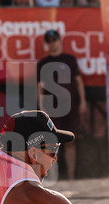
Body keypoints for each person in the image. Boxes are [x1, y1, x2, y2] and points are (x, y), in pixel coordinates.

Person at [37, 29, 88, 180]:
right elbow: (40, 86)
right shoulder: (43, 63)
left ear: (59, 41)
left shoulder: (70, 59)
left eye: (54, 40)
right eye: (49, 41)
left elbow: (79, 82)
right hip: (52, 107)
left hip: (71, 106)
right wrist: (41, 107)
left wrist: (83, 101)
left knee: (71, 142)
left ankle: (71, 178)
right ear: (47, 44)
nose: (52, 43)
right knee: (51, 143)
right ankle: (53, 179)